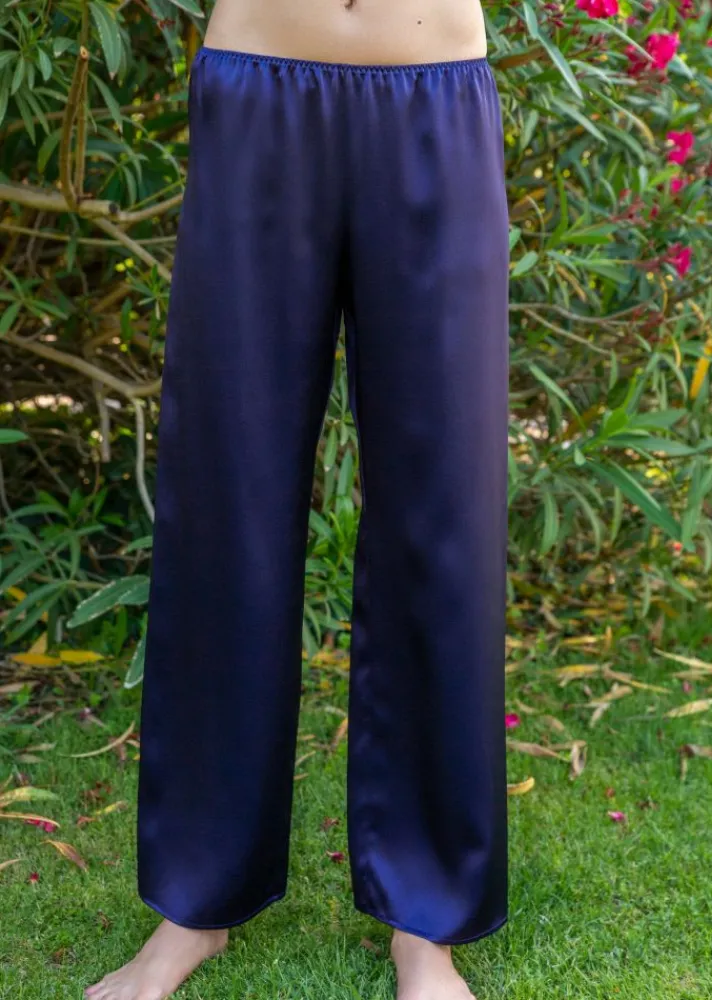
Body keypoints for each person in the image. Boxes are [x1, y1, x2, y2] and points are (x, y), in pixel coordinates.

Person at [85, 1, 510, 998]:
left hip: (435, 91)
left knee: (443, 509)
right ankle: (196, 901)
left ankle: (426, 924)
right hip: (258, 85)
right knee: (226, 494)